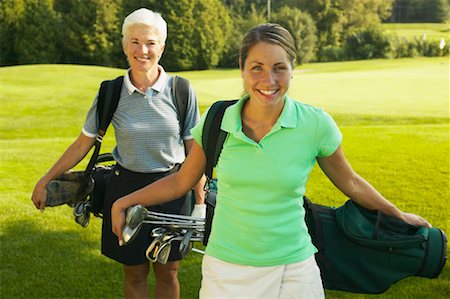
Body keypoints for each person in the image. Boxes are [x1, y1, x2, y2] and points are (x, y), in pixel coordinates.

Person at [110, 23, 432, 299]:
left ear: (292, 67)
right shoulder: (217, 120)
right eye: (257, 68)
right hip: (227, 270)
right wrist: (125, 201)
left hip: (294, 267)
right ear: (242, 69)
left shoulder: (314, 124)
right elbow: (181, 180)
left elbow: (350, 182)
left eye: (280, 67)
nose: (269, 80)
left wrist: (397, 214)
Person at [31, 8, 206, 299]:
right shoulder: (111, 91)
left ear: (161, 47)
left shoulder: (181, 90)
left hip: (173, 190)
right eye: (134, 41)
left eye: (150, 42)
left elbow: (194, 152)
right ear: (124, 46)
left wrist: (199, 202)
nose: (142, 50)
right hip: (125, 187)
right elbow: (82, 143)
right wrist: (46, 179)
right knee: (134, 271)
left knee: (168, 271)